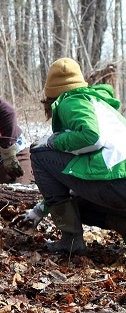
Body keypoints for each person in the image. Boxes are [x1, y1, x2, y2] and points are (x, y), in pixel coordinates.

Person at [29, 57, 126, 255]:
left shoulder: (70, 101)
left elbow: (92, 137)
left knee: (39, 153)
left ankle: (71, 240)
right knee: (77, 206)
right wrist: (41, 209)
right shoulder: (100, 105)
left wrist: (53, 141)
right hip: (118, 183)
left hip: (116, 183)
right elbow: (81, 170)